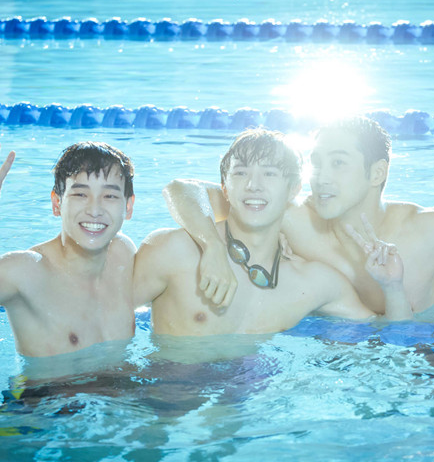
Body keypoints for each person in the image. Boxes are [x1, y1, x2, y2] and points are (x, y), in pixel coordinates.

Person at [162, 116, 434, 315]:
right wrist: (212, 246)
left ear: (377, 173)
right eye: (316, 163)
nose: (321, 177)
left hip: (423, 369)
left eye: (338, 163)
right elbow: (183, 189)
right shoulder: (294, 219)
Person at [133, 128, 410, 336]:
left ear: (293, 189)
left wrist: (393, 288)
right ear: (225, 187)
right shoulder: (173, 252)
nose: (253, 185)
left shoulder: (313, 282)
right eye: (240, 173)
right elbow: (108, 316)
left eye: (269, 174)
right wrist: (212, 247)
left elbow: (387, 335)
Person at [0, 142, 137, 357]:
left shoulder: (122, 253)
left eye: (109, 196)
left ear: (128, 206)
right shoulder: (26, 272)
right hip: (50, 384)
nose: (95, 210)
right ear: (57, 204)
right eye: (80, 194)